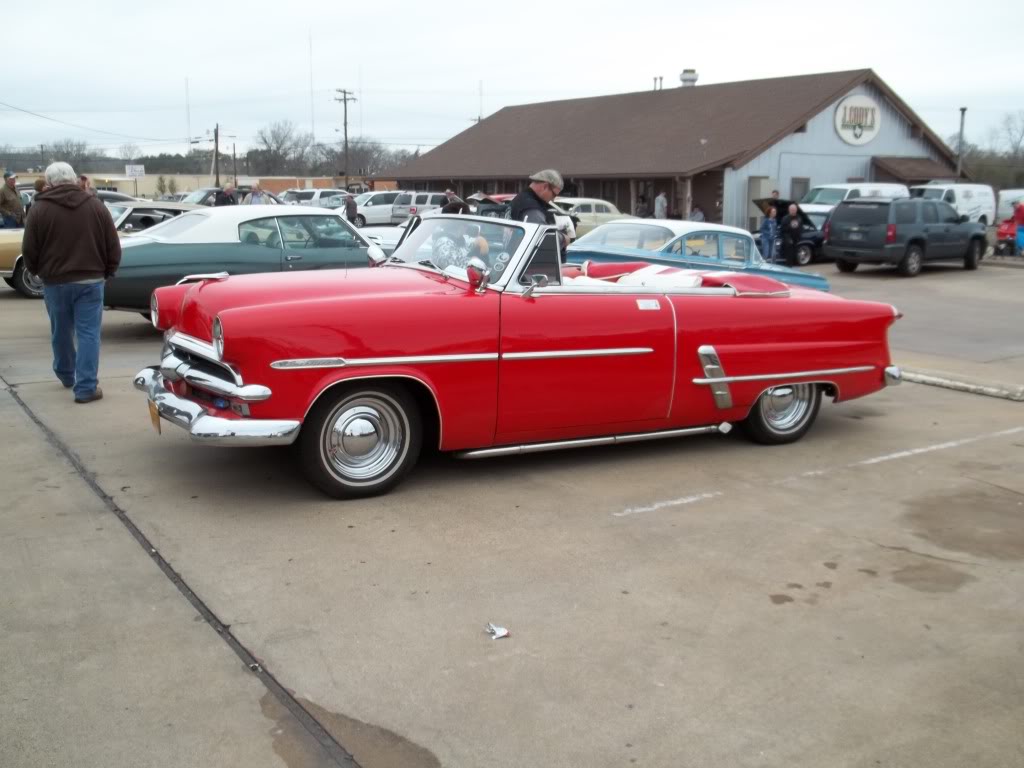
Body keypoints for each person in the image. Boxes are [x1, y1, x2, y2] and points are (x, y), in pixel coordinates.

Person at [22, 162, 121, 404]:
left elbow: (29, 249)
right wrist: (108, 271)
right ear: (75, 179)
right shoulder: (96, 206)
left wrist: (37, 271)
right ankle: (86, 387)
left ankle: (66, 374)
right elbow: (112, 245)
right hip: (91, 280)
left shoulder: (39, 209)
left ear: (50, 182)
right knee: (88, 334)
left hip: (55, 281)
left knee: (61, 330)